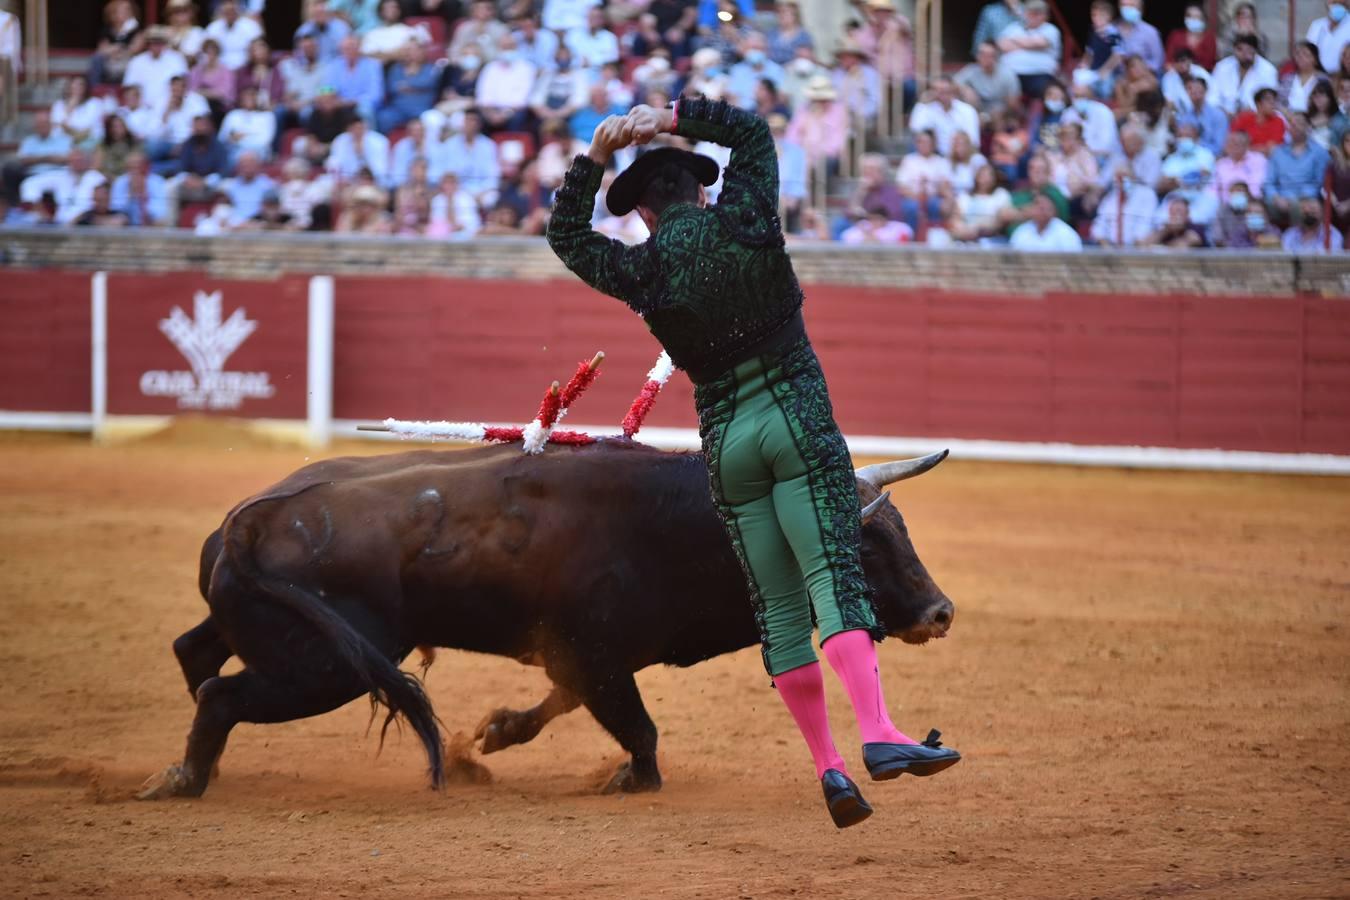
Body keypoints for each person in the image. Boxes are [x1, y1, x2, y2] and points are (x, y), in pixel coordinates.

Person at [546, 97, 962, 828]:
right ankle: (878, 735)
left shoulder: (640, 270)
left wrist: (597, 153)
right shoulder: (744, 215)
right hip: (796, 418)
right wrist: (669, 115)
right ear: (701, 190)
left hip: (729, 442)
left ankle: (830, 768)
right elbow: (751, 132)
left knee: (777, 609)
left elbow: (566, 233)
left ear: (643, 214)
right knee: (832, 577)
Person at [1265, 112, 1331, 226]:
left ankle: (1296, 240)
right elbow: (1269, 182)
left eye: (1299, 123)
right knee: (1258, 206)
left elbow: (1319, 183)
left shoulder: (1319, 152)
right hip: (1280, 197)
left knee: (1299, 206)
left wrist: (1295, 199)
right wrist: (1276, 198)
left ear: (1308, 127)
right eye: (1291, 123)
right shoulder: (1278, 152)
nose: (1294, 126)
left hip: (1307, 196)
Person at [2, 109, 71, 205]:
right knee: (15, 173)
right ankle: (23, 210)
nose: (42, 126)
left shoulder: (63, 139)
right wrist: (48, 158)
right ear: (35, 126)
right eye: (39, 124)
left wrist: (37, 159)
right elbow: (23, 160)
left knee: (64, 186)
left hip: (58, 173)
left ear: (51, 124)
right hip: (34, 174)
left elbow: (66, 159)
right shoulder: (29, 141)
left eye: (44, 123)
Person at [997, 0, 1061, 99]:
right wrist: (1027, 44)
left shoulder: (1050, 29)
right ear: (1025, 13)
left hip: (1039, 74)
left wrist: (1014, 41)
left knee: (1049, 92)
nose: (1033, 16)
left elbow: (1038, 43)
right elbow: (1002, 45)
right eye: (1031, 12)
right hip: (1011, 74)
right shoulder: (1013, 28)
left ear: (1045, 16)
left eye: (1038, 13)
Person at [378, 40, 440, 133]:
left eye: (413, 50)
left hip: (422, 109)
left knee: (433, 120)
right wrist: (417, 88)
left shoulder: (431, 68)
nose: (409, 53)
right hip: (398, 109)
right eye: (408, 50)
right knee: (384, 117)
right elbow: (392, 87)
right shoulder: (396, 68)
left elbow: (428, 82)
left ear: (422, 52)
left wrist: (407, 85)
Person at [908, 75, 979, 157]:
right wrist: (922, 104)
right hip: (934, 157)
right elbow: (916, 130)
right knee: (920, 140)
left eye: (946, 91)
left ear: (954, 92)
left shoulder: (967, 110)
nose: (942, 95)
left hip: (960, 157)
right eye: (938, 91)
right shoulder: (925, 107)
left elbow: (973, 141)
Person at [955, 41, 1021, 126]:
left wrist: (1004, 112)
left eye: (989, 55)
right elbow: (952, 84)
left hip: (1001, 113)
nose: (984, 58)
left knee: (997, 114)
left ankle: (999, 138)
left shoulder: (1007, 74)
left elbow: (1013, 105)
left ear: (996, 57)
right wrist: (964, 89)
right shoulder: (971, 70)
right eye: (981, 54)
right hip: (978, 111)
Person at [1210, 34, 1278, 116]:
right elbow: (1212, 97)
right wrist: (1224, 112)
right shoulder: (1222, 67)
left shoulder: (1268, 70)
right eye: (1240, 49)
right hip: (1223, 116)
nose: (1244, 53)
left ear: (1255, 51)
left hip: (1256, 117)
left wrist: (1247, 114)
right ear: (1234, 50)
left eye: (1249, 49)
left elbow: (1269, 101)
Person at [125, 26, 189, 112]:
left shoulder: (176, 59)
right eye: (153, 42)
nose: (156, 46)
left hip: (171, 109)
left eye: (159, 42)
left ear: (165, 43)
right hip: (142, 110)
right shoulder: (136, 62)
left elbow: (183, 86)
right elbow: (130, 88)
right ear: (148, 44)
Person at [324, 35, 385, 123]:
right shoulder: (333, 66)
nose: (349, 51)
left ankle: (368, 136)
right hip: (340, 104)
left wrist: (353, 101)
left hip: (363, 104)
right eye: (346, 49)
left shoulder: (373, 65)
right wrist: (330, 99)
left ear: (359, 48)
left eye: (352, 48)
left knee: (364, 110)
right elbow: (327, 88)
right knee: (323, 109)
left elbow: (375, 94)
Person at [1089, 167, 1158, 246]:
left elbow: (1145, 223)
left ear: (1133, 177)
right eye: (1118, 177)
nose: (1121, 179)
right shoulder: (1110, 197)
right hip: (1110, 248)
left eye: (1124, 176)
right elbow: (1099, 223)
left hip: (1137, 247)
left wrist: (1137, 246)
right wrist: (1104, 244)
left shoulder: (1147, 194)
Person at [950, 163, 1011, 242]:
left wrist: (979, 230)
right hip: (965, 236)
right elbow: (955, 218)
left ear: (994, 179)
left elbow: (1002, 221)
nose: (984, 179)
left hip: (991, 239)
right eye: (982, 175)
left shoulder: (1001, 195)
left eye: (988, 175)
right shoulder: (964, 197)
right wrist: (964, 231)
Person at [88, 0, 143, 87]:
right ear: (113, 13)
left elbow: (136, 48)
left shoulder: (136, 30)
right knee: (97, 59)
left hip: (127, 62)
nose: (126, 13)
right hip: (110, 62)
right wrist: (118, 48)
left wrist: (118, 50)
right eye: (122, 10)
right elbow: (101, 50)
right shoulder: (107, 30)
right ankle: (96, 89)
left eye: (128, 10)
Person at [219, 84, 276, 164]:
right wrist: (233, 138)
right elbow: (222, 138)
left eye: (252, 95)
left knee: (249, 158)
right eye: (246, 95)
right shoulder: (232, 115)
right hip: (234, 153)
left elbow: (264, 141)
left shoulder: (267, 116)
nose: (249, 98)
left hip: (259, 154)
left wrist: (240, 139)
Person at [109, 151, 169, 226]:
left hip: (150, 221)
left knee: (161, 222)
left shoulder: (157, 181)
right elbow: (116, 208)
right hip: (126, 221)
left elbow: (161, 210)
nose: (135, 171)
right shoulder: (120, 181)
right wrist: (130, 196)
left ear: (146, 166)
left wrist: (144, 198)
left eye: (138, 167)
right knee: (117, 221)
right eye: (132, 168)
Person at [1009, 190, 1082, 251]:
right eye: (1037, 205)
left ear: (1054, 211)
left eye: (1045, 207)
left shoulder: (1066, 234)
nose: (1041, 209)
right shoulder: (1021, 231)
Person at [51, 75, 107, 151]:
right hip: (64, 145)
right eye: (74, 84)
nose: (77, 87)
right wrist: (70, 108)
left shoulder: (95, 103)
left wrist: (68, 130)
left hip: (89, 144)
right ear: (69, 87)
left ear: (86, 87)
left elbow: (88, 128)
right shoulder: (58, 105)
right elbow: (56, 131)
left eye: (81, 84)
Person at [204, 0, 262, 70]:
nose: (229, 8)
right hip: (219, 72)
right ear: (220, 8)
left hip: (246, 71)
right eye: (226, 5)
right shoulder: (212, 28)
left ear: (238, 7)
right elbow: (205, 54)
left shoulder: (251, 26)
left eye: (232, 8)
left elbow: (260, 51)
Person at [1230, 87, 1286, 154]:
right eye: (1268, 100)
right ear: (1258, 103)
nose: (1272, 103)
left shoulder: (1278, 121)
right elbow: (1232, 141)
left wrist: (1246, 148)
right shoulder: (1244, 118)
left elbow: (1271, 149)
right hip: (1241, 158)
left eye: (1274, 100)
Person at [1215, 129, 1267, 201]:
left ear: (1246, 145)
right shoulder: (1221, 164)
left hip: (1251, 201)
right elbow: (1214, 189)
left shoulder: (1258, 159)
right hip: (1225, 204)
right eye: (1229, 143)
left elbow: (1257, 187)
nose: (1231, 146)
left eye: (1235, 143)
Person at [1281, 42, 1330, 115]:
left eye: (1305, 54)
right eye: (1298, 54)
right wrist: (1288, 115)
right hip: (1288, 118)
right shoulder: (1288, 78)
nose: (1300, 57)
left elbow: (1327, 105)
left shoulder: (1323, 79)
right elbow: (1279, 102)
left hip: (1314, 118)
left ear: (1315, 59)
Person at [1116, 0, 1162, 75]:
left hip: (1143, 77)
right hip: (1116, 78)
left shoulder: (1150, 32)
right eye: (1124, 5)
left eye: (1132, 5)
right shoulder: (1111, 29)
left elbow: (1157, 63)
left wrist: (1141, 68)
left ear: (1140, 8)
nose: (1127, 9)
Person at [1165, 4, 1216, 71]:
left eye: (1196, 16)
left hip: (1201, 77)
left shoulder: (1209, 38)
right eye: (1189, 16)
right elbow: (1168, 62)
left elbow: (1210, 64)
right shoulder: (1176, 35)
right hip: (1176, 74)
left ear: (1203, 19)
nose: (1193, 19)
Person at [1140, 195, 1205, 248]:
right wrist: (1166, 230)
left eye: (1179, 211)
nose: (1176, 215)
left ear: (1187, 213)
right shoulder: (1165, 229)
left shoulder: (1196, 227)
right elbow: (1143, 244)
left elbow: (1185, 245)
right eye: (1173, 212)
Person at [1308, 0, 1350, 74]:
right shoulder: (1317, 25)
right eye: (1334, 3)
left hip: (1343, 79)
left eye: (1341, 4)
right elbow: (1308, 51)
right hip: (1319, 78)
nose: (1337, 6)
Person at [94, 114, 140, 179]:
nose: (117, 129)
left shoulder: (133, 143)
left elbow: (135, 164)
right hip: (107, 177)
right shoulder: (103, 145)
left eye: (120, 126)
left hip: (127, 178)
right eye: (114, 127)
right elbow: (96, 166)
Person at [767, 1, 812, 65]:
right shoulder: (771, 33)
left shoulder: (803, 36)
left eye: (785, 13)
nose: (781, 16)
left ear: (795, 16)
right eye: (779, 13)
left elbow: (805, 56)